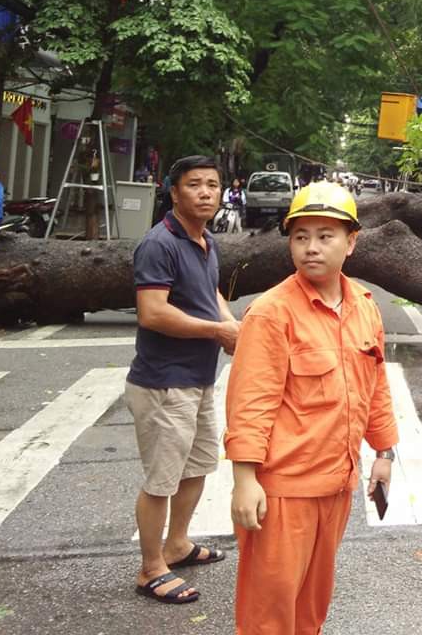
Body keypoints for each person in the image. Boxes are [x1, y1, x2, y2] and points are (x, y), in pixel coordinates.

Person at [225, 181, 398, 635]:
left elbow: (374, 384)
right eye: (300, 237)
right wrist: (245, 482)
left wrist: (384, 454)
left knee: (311, 609)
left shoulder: (363, 305)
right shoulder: (271, 313)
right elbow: (249, 404)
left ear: (351, 242)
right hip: (283, 492)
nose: (311, 248)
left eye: (325, 236)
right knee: (269, 614)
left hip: (336, 485)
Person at [127, 154, 241, 606]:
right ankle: (151, 567)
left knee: (197, 468)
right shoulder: (160, 243)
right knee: (162, 479)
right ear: (174, 192)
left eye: (212, 185)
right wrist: (218, 331)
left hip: (198, 378)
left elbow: (208, 292)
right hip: (163, 383)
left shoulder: (205, 240)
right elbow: (152, 312)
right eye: (194, 184)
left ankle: (177, 544)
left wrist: (231, 323)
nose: (205, 192)